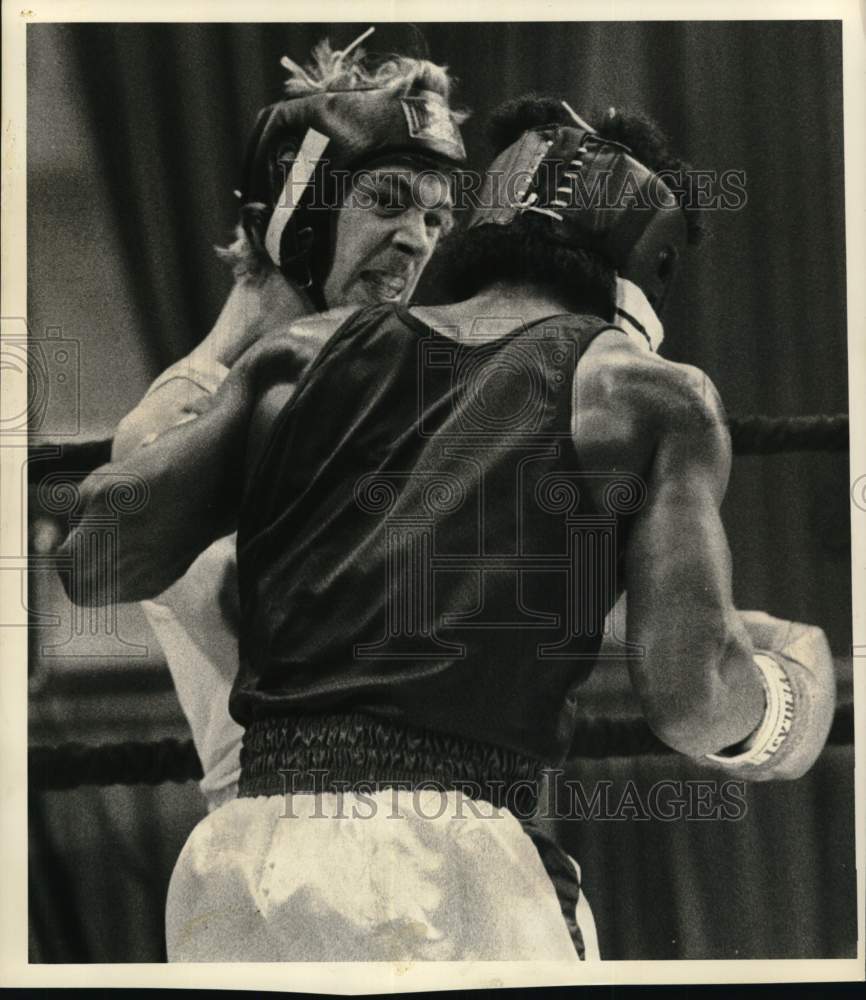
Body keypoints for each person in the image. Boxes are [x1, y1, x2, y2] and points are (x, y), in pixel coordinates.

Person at [61, 97, 836, 961]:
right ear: (646, 270)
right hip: (453, 866)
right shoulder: (649, 393)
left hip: (242, 867)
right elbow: (694, 701)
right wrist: (792, 703)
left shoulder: (298, 357)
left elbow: (93, 560)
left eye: (432, 213)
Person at [107, 31, 467, 810]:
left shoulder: (378, 399)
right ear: (300, 205)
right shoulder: (178, 419)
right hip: (284, 835)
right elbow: (290, 644)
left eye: (438, 222)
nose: (416, 242)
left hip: (418, 824)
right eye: (388, 201)